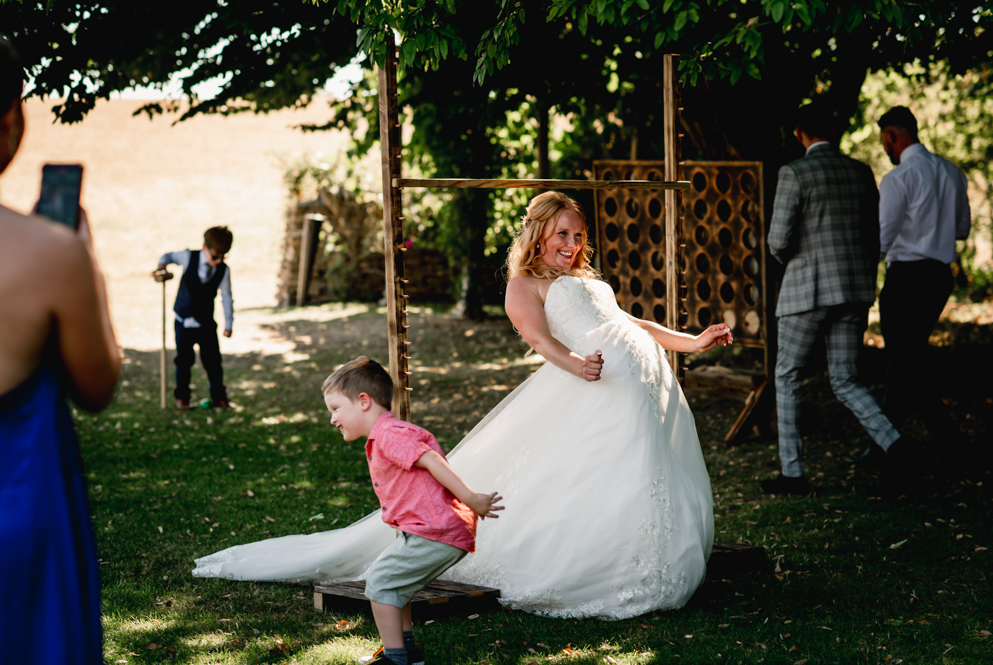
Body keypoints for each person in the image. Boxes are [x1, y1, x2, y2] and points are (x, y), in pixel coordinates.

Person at [193, 191, 732, 620]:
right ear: (539, 232)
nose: (571, 243)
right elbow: (540, 341)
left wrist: (692, 340)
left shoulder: (585, 280)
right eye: (562, 233)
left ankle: (644, 560)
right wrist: (577, 365)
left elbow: (632, 325)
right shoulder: (524, 284)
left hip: (638, 385)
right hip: (591, 383)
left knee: (636, 474)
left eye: (578, 235)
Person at [0, 31, 122, 665]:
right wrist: (84, 259)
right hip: (15, 528)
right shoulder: (48, 253)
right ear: (11, 119)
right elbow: (97, 387)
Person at [763, 103, 913, 496]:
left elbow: (777, 240)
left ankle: (793, 474)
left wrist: (795, 260)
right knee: (846, 378)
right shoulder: (861, 171)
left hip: (806, 291)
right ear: (834, 127)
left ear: (799, 133)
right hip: (853, 289)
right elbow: (873, 233)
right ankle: (896, 444)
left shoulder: (794, 172)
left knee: (788, 376)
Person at [323, 357, 503, 665]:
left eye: (336, 408)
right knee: (396, 587)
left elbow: (432, 460)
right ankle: (407, 652)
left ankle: (396, 660)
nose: (332, 418)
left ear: (363, 401)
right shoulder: (386, 434)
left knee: (380, 584)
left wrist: (471, 498)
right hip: (429, 529)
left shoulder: (391, 434)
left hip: (434, 530)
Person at [849, 106, 971, 466]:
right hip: (939, 277)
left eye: (883, 141)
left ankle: (897, 445)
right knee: (908, 361)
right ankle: (912, 443)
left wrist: (864, 279)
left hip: (906, 278)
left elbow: (882, 240)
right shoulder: (952, 172)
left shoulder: (899, 179)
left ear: (891, 136)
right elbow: (962, 230)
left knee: (902, 362)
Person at [156, 226, 235, 409]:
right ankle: (182, 399)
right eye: (215, 256)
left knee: (213, 362)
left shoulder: (224, 270)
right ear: (204, 248)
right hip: (183, 320)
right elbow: (168, 256)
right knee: (184, 361)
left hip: (206, 323)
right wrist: (162, 266)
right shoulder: (187, 256)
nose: (219, 261)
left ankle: (220, 398)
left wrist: (229, 323)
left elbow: (227, 297)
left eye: (224, 256)